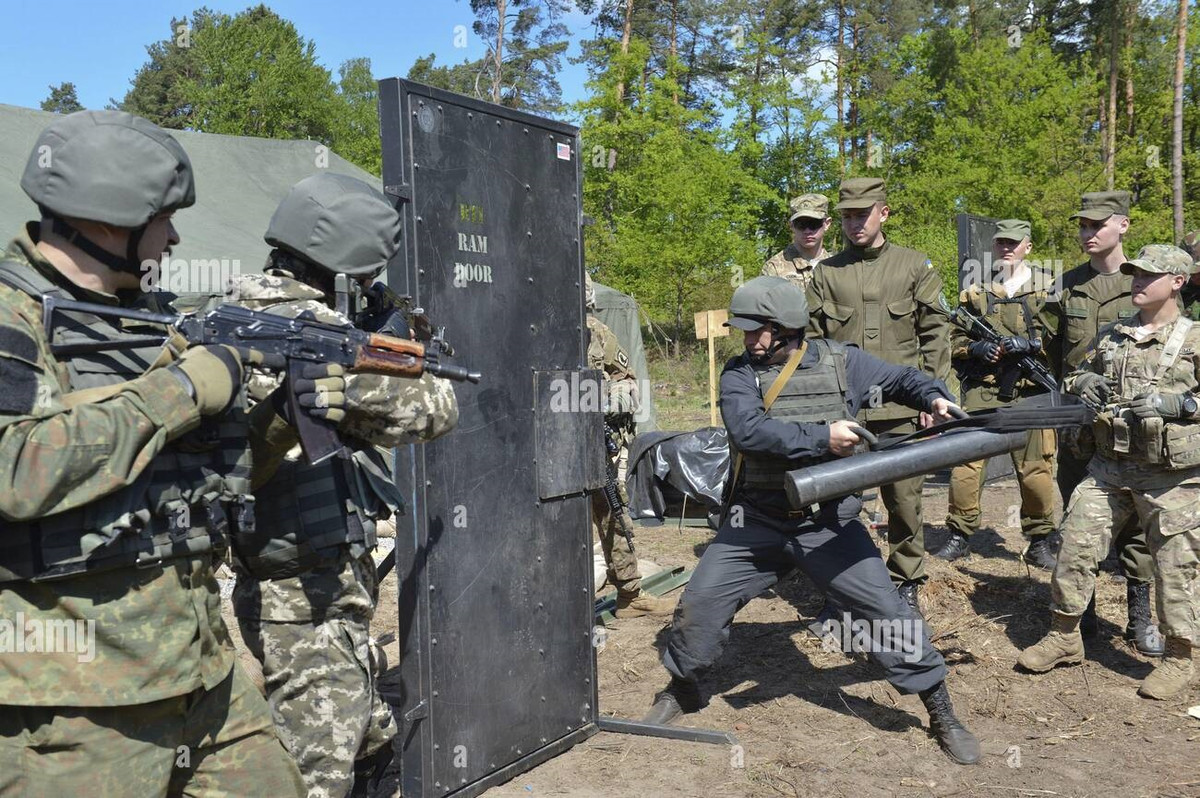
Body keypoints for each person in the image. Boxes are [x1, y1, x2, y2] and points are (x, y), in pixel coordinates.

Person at [0, 110, 304, 795]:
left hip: (202, 674)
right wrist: (180, 391)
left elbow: (201, 484)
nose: (175, 237)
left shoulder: (154, 319)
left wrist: (286, 419)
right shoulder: (11, 316)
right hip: (76, 709)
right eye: (164, 218)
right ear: (110, 218)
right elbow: (12, 470)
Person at [644, 276, 980, 765]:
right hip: (757, 520)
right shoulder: (740, 373)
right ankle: (684, 687)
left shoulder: (845, 362)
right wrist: (825, 437)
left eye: (754, 330)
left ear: (784, 328)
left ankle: (941, 710)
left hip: (830, 525)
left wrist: (934, 397)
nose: (746, 340)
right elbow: (750, 431)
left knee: (888, 615)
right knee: (700, 603)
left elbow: (902, 379)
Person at [226, 172, 459, 797]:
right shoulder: (317, 336)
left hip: (267, 575)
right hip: (307, 595)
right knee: (313, 772)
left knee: (363, 718)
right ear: (341, 270)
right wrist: (392, 335)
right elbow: (435, 408)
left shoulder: (225, 314)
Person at [1017, 245, 1200, 698]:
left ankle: (1180, 657)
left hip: (1169, 477)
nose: (1136, 281)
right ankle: (1064, 636)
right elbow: (1072, 377)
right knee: (1075, 548)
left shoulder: (1194, 340)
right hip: (1108, 468)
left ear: (1178, 282)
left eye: (1148, 276)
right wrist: (1085, 381)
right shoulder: (1114, 335)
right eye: (1134, 274)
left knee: (1175, 566)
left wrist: (1183, 404)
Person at [806, 177, 951, 614]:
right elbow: (811, 344)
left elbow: (936, 336)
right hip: (845, 414)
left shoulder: (914, 267)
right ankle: (845, 585)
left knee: (905, 499)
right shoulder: (826, 273)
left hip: (901, 410)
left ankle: (905, 577)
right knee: (837, 504)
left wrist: (932, 397)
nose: (854, 224)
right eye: (847, 216)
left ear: (883, 213)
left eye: (862, 215)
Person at [1040, 191, 1162, 656]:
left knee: (1137, 524)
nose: (1087, 234)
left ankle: (1139, 617)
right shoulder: (1066, 285)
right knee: (1076, 522)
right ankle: (1079, 617)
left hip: (1131, 428)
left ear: (1123, 225)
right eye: (1083, 226)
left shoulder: (1145, 282)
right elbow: (1051, 352)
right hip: (1077, 425)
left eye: (1097, 225)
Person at [936, 220, 1057, 561]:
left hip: (1031, 389)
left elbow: (1063, 340)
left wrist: (1032, 345)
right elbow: (954, 338)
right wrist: (975, 350)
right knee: (966, 461)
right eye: (1001, 242)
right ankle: (959, 533)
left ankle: (1040, 540)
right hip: (985, 389)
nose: (1007, 248)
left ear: (1027, 247)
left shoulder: (1049, 289)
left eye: (1014, 243)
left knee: (1036, 466)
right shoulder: (975, 292)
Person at [586, 273, 674, 617]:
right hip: (543, 453)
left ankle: (629, 593)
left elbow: (629, 381)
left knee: (614, 514)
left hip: (591, 444)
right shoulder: (528, 334)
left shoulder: (596, 331)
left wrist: (606, 400)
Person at [761, 193, 832, 291]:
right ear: (791, 226)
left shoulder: (838, 266)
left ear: (827, 224)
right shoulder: (774, 268)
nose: (807, 231)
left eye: (814, 224)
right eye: (801, 224)